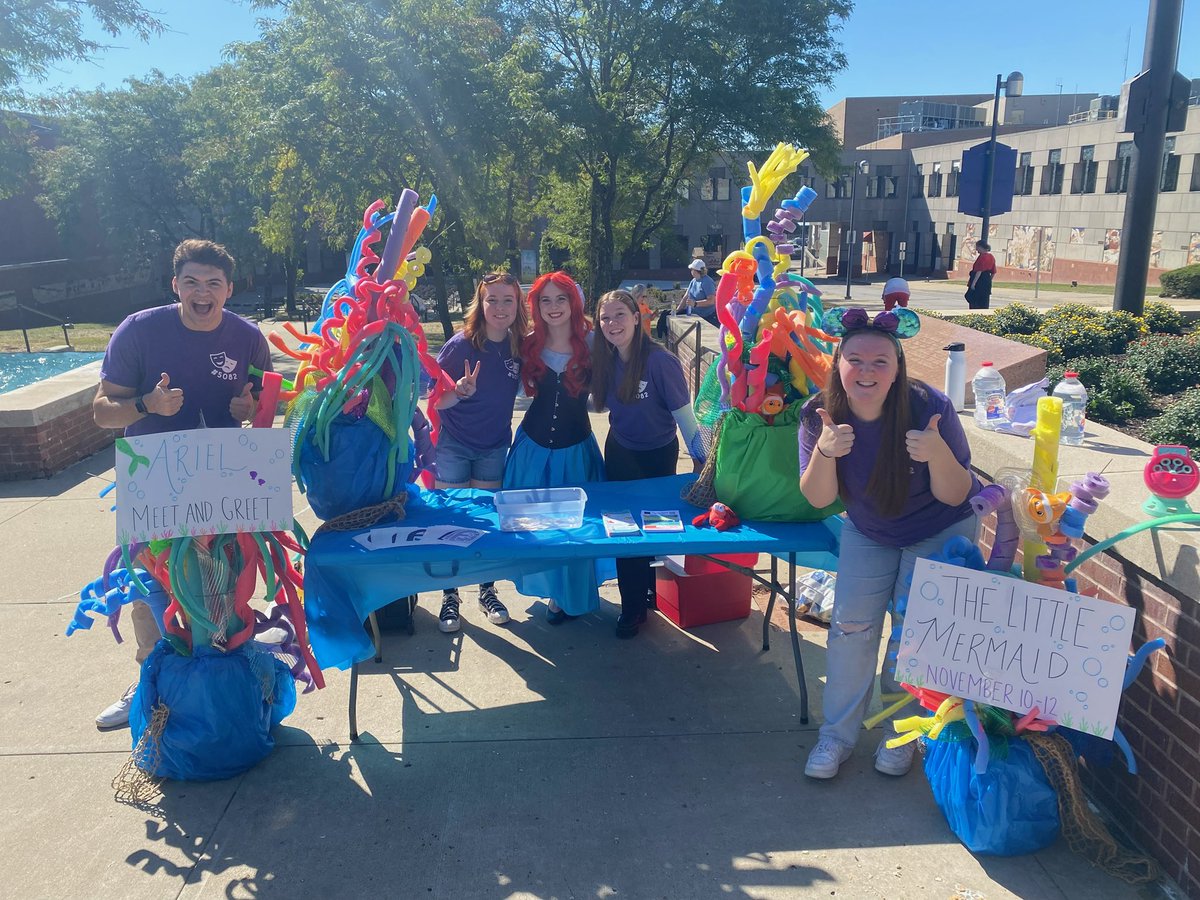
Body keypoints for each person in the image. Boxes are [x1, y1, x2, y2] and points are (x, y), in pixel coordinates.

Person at [92, 239, 271, 729]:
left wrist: (251, 410)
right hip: (154, 477)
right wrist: (147, 405)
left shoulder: (248, 338)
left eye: (213, 283)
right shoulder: (139, 331)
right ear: (176, 285)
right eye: (191, 281)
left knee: (227, 581)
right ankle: (150, 683)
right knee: (152, 585)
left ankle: (231, 679)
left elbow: (270, 406)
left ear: (229, 289)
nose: (202, 292)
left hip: (223, 475)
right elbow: (102, 411)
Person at [796, 307, 978, 779]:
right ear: (839, 363)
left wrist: (937, 452)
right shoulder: (819, 414)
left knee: (912, 634)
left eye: (881, 362)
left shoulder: (929, 408)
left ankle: (902, 732)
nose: (867, 371)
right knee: (851, 627)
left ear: (898, 369)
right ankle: (836, 736)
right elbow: (817, 498)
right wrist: (824, 451)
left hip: (939, 525)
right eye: (856, 359)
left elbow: (956, 493)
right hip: (869, 527)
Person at [592, 290, 704, 638]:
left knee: (655, 527)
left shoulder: (660, 361)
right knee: (624, 531)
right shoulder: (607, 360)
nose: (613, 324)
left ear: (637, 318)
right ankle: (632, 608)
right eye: (605, 318)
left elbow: (685, 417)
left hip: (658, 454)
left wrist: (702, 462)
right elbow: (598, 407)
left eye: (620, 315)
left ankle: (652, 593)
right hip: (621, 453)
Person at [503, 271, 607, 623]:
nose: (553, 306)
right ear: (535, 306)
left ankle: (570, 595)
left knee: (576, 528)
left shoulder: (594, 342)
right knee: (537, 526)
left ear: (573, 301)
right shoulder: (528, 343)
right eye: (544, 300)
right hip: (532, 451)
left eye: (560, 298)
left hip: (576, 450)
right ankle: (551, 589)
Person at [432, 272, 529, 633]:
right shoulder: (460, 345)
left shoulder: (520, 346)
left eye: (508, 300)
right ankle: (449, 596)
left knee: (486, 523)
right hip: (454, 446)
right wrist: (458, 391)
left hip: (494, 446)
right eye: (493, 300)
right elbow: (436, 401)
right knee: (452, 523)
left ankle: (486, 590)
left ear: (518, 305)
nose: (500, 307)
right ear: (480, 303)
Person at [673, 259, 720, 326]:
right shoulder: (693, 281)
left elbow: (711, 301)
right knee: (666, 315)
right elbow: (685, 297)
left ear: (696, 271)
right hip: (692, 314)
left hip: (706, 317)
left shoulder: (707, 282)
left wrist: (695, 304)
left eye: (692, 269)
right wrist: (677, 311)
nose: (691, 271)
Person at [965, 241, 996, 310]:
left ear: (981, 247)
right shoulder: (991, 257)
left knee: (974, 300)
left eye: (977, 247)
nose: (976, 249)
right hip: (987, 280)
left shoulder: (982, 257)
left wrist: (973, 284)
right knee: (984, 302)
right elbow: (993, 272)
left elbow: (979, 271)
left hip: (979, 280)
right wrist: (988, 281)